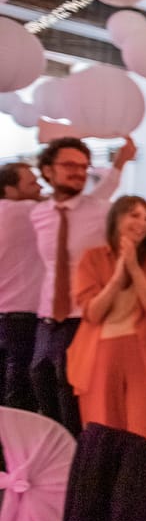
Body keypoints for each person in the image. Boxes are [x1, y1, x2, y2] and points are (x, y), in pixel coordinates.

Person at [30, 136, 136, 434]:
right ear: (48, 170)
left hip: (85, 320)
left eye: (83, 166)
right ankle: (56, 470)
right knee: (44, 396)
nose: (78, 172)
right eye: (69, 165)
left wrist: (121, 162)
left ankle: (82, 471)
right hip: (46, 322)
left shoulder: (102, 211)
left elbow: (109, 194)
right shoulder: (38, 214)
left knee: (74, 402)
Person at [65, 196, 146, 443]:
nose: (142, 223)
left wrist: (134, 268)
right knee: (103, 434)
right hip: (99, 352)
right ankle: (104, 482)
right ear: (117, 218)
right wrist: (117, 276)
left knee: (143, 435)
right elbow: (92, 313)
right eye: (134, 215)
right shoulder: (93, 258)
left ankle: (139, 483)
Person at [0, 163, 44, 410]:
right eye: (32, 182)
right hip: (23, 320)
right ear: (10, 189)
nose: (39, 186)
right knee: (21, 400)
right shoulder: (24, 212)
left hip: (4, 317)